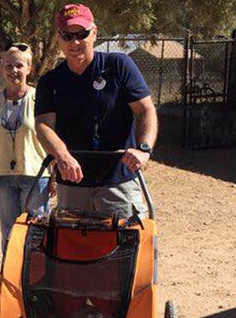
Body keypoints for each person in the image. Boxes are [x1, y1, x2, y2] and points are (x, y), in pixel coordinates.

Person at [34, 4, 158, 219]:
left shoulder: (119, 66)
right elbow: (43, 125)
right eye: (67, 35)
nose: (75, 42)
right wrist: (62, 156)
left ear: (94, 33)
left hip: (118, 182)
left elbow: (145, 109)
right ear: (59, 37)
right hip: (72, 184)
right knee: (70, 249)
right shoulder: (49, 81)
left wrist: (143, 149)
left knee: (128, 246)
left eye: (81, 34)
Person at [0, 42, 51, 252]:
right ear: (2, 68)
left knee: (36, 230)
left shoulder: (41, 99)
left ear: (29, 68)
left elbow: (52, 137)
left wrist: (55, 174)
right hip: (3, 176)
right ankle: (10, 281)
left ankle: (36, 282)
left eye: (19, 66)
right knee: (9, 232)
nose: (14, 71)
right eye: (9, 66)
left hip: (36, 176)